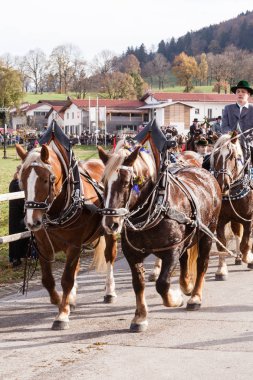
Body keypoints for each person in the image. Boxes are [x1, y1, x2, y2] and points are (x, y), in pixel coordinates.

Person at [222, 80, 253, 169]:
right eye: (238, 91)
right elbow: (224, 127)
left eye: (243, 92)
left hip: (249, 143)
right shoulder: (228, 108)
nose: (240, 94)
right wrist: (233, 136)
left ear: (249, 95)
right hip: (231, 142)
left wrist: (248, 138)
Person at [9, 165, 29, 267]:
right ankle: (16, 258)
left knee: (21, 235)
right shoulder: (17, 184)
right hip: (18, 214)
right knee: (17, 236)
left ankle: (20, 256)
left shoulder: (15, 182)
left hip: (17, 214)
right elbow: (20, 201)